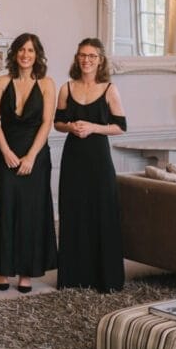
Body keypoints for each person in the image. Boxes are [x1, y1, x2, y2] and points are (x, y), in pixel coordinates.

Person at [53, 38, 126, 292]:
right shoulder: (66, 88)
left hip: (98, 159)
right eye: (82, 55)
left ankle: (104, 277)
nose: (86, 60)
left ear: (100, 60)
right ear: (77, 58)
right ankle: (73, 276)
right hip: (73, 158)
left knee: (101, 212)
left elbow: (121, 127)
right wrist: (71, 126)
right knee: (73, 212)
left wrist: (94, 127)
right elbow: (57, 122)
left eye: (92, 56)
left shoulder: (109, 89)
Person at [0, 33, 58, 293]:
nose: (25, 55)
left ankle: (27, 273)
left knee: (31, 213)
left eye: (30, 50)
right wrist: (5, 151)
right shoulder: (2, 82)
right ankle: (3, 270)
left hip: (36, 155)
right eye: (21, 50)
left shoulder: (47, 84)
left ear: (37, 54)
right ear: (14, 53)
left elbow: (46, 122)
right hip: (6, 153)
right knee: (5, 210)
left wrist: (31, 157)